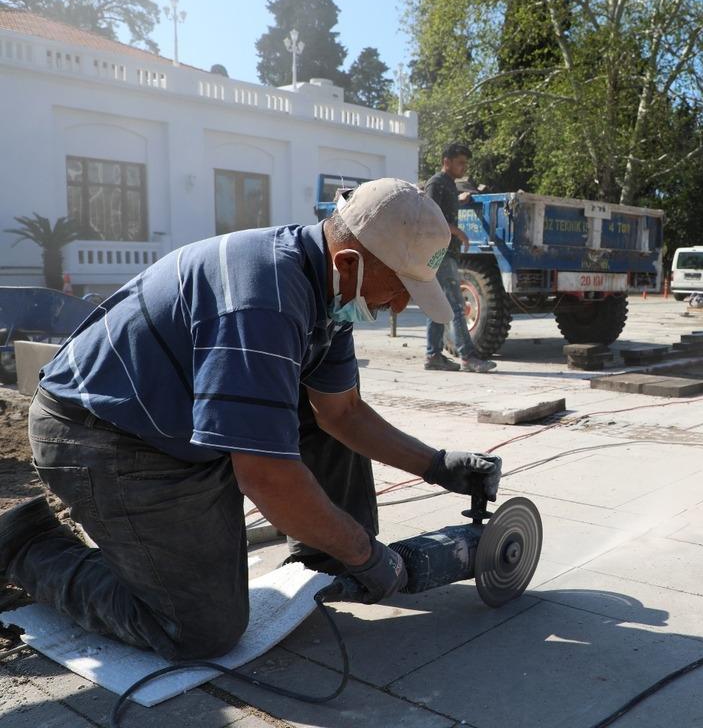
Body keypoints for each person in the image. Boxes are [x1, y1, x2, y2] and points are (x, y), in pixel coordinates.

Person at [0, 179, 503, 661]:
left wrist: (438, 466)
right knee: (200, 629)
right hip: (102, 435)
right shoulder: (262, 298)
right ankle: (27, 544)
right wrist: (367, 553)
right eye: (397, 289)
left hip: (173, 420)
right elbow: (264, 473)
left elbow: (341, 413)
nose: (398, 306)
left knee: (314, 421)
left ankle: (324, 559)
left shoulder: (329, 289)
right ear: (349, 263)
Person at [423, 143, 496, 373]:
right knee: (455, 304)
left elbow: (446, 205)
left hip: (445, 252)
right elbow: (430, 215)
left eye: (465, 162)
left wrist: (461, 199)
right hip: (440, 252)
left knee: (439, 304)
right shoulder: (436, 183)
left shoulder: (449, 186)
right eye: (460, 162)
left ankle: (433, 355)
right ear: (447, 161)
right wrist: (459, 232)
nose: (464, 167)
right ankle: (468, 357)